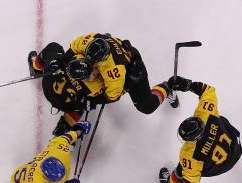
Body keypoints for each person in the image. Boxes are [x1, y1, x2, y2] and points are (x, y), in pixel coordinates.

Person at [28, 32, 174, 135]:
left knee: (146, 106)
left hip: (131, 66)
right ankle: (67, 122)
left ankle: (168, 87)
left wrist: (92, 101)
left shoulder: (115, 71)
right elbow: (72, 50)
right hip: (104, 45)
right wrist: (58, 62)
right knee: (82, 100)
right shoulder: (89, 41)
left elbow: (112, 96)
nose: (93, 73)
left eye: (94, 69)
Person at [157, 76, 242, 183]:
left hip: (217, 166)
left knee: (182, 170)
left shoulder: (189, 154)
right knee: (190, 166)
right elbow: (208, 90)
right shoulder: (206, 114)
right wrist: (188, 85)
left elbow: (191, 179)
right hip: (234, 147)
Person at [0, 121, 91, 183]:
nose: (61, 179)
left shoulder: (58, 151)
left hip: (23, 177)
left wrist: (78, 131)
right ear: (47, 178)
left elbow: (64, 139)